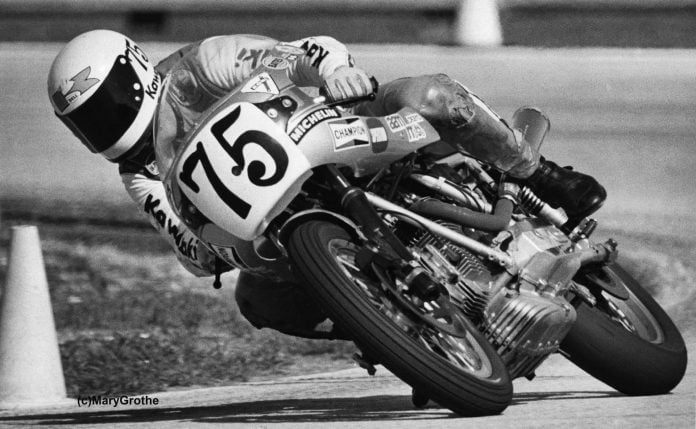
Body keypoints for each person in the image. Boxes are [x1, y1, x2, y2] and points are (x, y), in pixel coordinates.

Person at [47, 30, 605, 337]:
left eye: (106, 106)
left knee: (430, 96)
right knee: (257, 301)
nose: (103, 127)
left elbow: (304, 52)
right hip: (277, 218)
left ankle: (537, 174)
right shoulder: (139, 173)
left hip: (332, 137)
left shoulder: (200, 65)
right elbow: (188, 245)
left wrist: (336, 72)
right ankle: (396, 332)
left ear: (136, 73)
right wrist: (208, 251)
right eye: (86, 124)